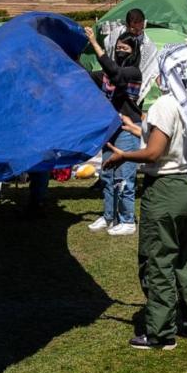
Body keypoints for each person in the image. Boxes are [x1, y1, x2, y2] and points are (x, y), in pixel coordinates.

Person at [104, 45, 187, 350]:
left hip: (166, 190)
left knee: (158, 260)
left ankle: (161, 332)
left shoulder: (165, 104)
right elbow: (171, 136)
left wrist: (124, 155)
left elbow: (155, 151)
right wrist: (135, 125)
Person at [84, 24, 143, 235]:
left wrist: (94, 42)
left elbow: (116, 74)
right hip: (111, 127)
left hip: (129, 127)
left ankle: (127, 220)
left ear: (134, 53)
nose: (120, 51)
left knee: (124, 176)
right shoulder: (108, 73)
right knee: (107, 173)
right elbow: (89, 75)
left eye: (125, 49)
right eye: (118, 47)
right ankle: (109, 216)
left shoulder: (133, 72)